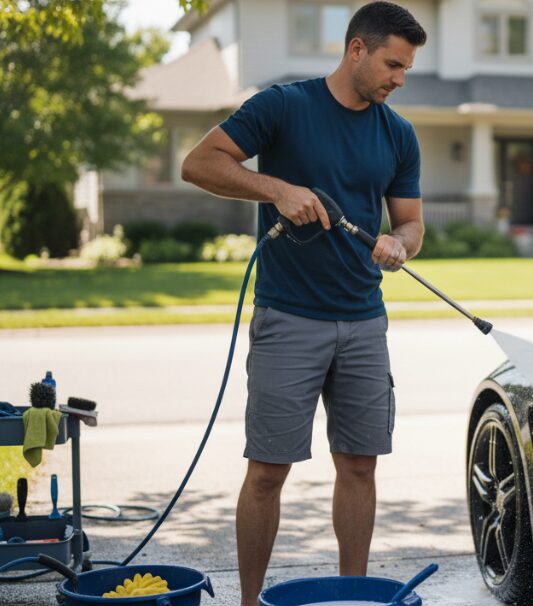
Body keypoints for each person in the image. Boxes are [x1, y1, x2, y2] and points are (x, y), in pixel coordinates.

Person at [180, 3, 426, 604]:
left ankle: (354, 597)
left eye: (407, 69)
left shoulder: (398, 132)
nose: (400, 79)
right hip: (288, 316)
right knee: (267, 472)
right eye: (393, 64)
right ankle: (250, 601)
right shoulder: (284, 106)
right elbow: (199, 163)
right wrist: (278, 188)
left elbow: (413, 223)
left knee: (360, 467)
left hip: (365, 321)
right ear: (357, 50)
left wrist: (400, 243)